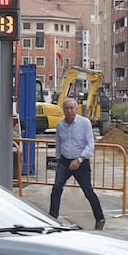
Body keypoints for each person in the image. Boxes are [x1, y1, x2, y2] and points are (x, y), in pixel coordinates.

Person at [50, 98, 105, 230]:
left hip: (81, 162)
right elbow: (58, 143)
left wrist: (79, 160)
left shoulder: (84, 123)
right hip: (64, 161)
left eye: (71, 108)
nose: (69, 111)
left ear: (76, 109)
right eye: (66, 108)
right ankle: (52, 219)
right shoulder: (60, 125)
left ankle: (100, 218)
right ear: (63, 110)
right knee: (56, 188)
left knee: (87, 191)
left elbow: (90, 144)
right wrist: (58, 159)